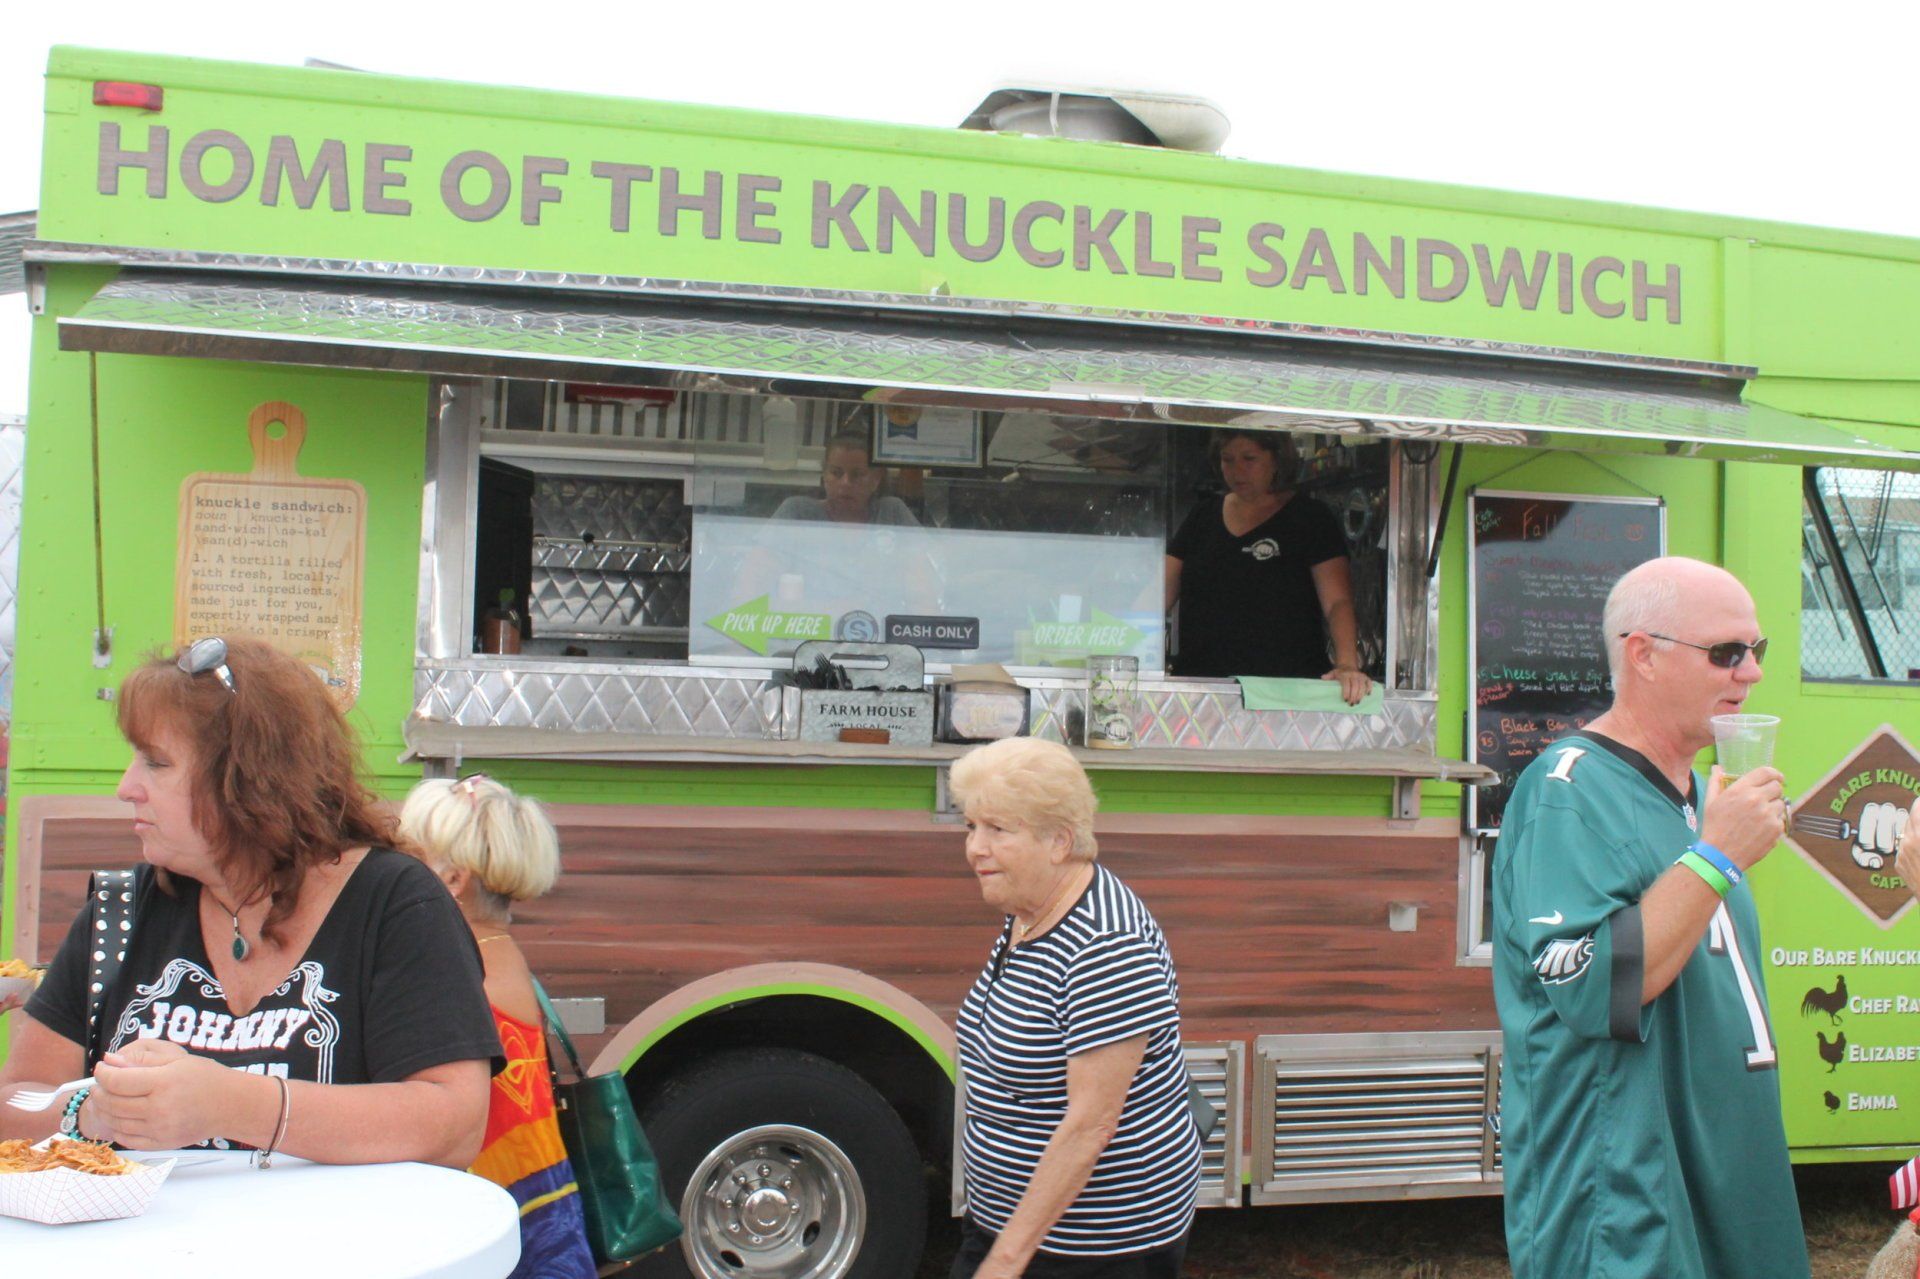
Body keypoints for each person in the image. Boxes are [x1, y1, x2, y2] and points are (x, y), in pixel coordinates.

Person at [0, 636, 500, 1165]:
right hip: (140, 1247)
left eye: (156, 762)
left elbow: (454, 1126)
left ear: (247, 778)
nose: (127, 787)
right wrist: (93, 1112)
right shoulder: (120, 913)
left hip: (336, 1246)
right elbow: (16, 1103)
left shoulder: (393, 903)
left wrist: (232, 1104)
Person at [1491, 556, 1805, 1279]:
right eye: (1727, 652)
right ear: (1644, 654)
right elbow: (1597, 985)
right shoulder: (1567, 789)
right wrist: (1716, 858)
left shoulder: (1700, 791)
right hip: (1630, 1197)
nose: (1750, 673)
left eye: (1758, 650)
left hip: (1727, 1173)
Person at [949, 737, 1200, 1279]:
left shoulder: (1106, 946)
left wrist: (1005, 1261)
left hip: (1093, 1246)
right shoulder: (1030, 908)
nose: (975, 848)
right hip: (1010, 1224)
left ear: (1059, 841)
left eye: (998, 829)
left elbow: (1091, 1125)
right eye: (971, 827)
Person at [398, 773, 597, 1279]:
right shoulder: (501, 953)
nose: (392, 870)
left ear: (451, 880)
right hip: (543, 1208)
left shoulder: (458, 976)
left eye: (406, 854)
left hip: (498, 1231)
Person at [1163, 430, 1369, 702]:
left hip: (1287, 689)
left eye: (1249, 459)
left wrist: (1347, 665)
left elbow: (1337, 602)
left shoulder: (1309, 518)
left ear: (1277, 460)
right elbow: (1159, 595)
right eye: (1228, 460)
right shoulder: (1202, 516)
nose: (1237, 470)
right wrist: (1118, 640)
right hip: (1203, 686)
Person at [772, 429, 919, 525]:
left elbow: (923, 569)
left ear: (876, 479)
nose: (846, 483)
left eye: (858, 475)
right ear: (824, 475)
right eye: (836, 473)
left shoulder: (891, 513)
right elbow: (757, 570)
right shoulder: (798, 512)